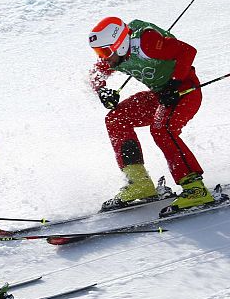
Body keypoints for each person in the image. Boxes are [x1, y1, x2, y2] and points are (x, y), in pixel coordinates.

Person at [88, 16, 214, 216]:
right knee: (116, 118)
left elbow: (187, 51)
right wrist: (102, 91)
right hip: (159, 95)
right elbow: (95, 74)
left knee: (161, 128)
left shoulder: (146, 42)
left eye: (104, 51)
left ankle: (194, 188)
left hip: (183, 91)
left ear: (119, 43)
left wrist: (173, 84)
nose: (103, 57)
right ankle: (139, 183)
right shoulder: (115, 55)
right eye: (98, 52)